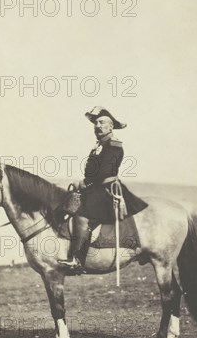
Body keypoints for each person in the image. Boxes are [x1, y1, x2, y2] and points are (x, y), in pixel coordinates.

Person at [58, 106, 148, 273]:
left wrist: (85, 183)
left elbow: (104, 171)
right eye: (95, 123)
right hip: (96, 187)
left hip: (106, 189)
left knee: (83, 216)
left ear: (111, 126)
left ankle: (77, 259)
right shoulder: (99, 145)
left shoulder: (114, 145)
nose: (97, 125)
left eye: (101, 122)